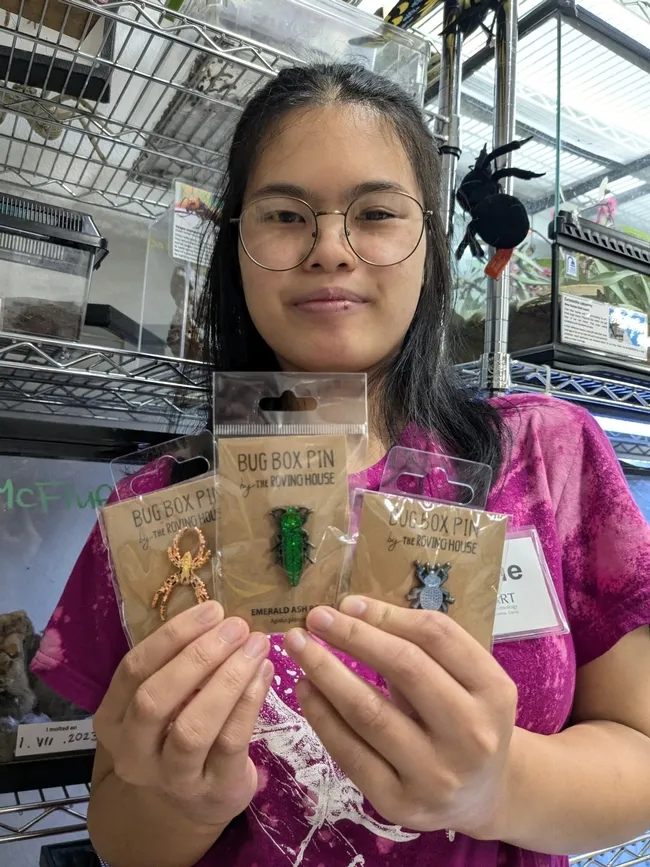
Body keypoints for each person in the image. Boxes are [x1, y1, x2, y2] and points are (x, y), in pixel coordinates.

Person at [31, 63, 650, 867]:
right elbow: (120, 833)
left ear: (429, 240)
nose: (330, 248)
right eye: (286, 213)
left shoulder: (546, 454)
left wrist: (498, 785)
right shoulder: (160, 510)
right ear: (237, 245)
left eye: (377, 213)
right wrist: (177, 799)